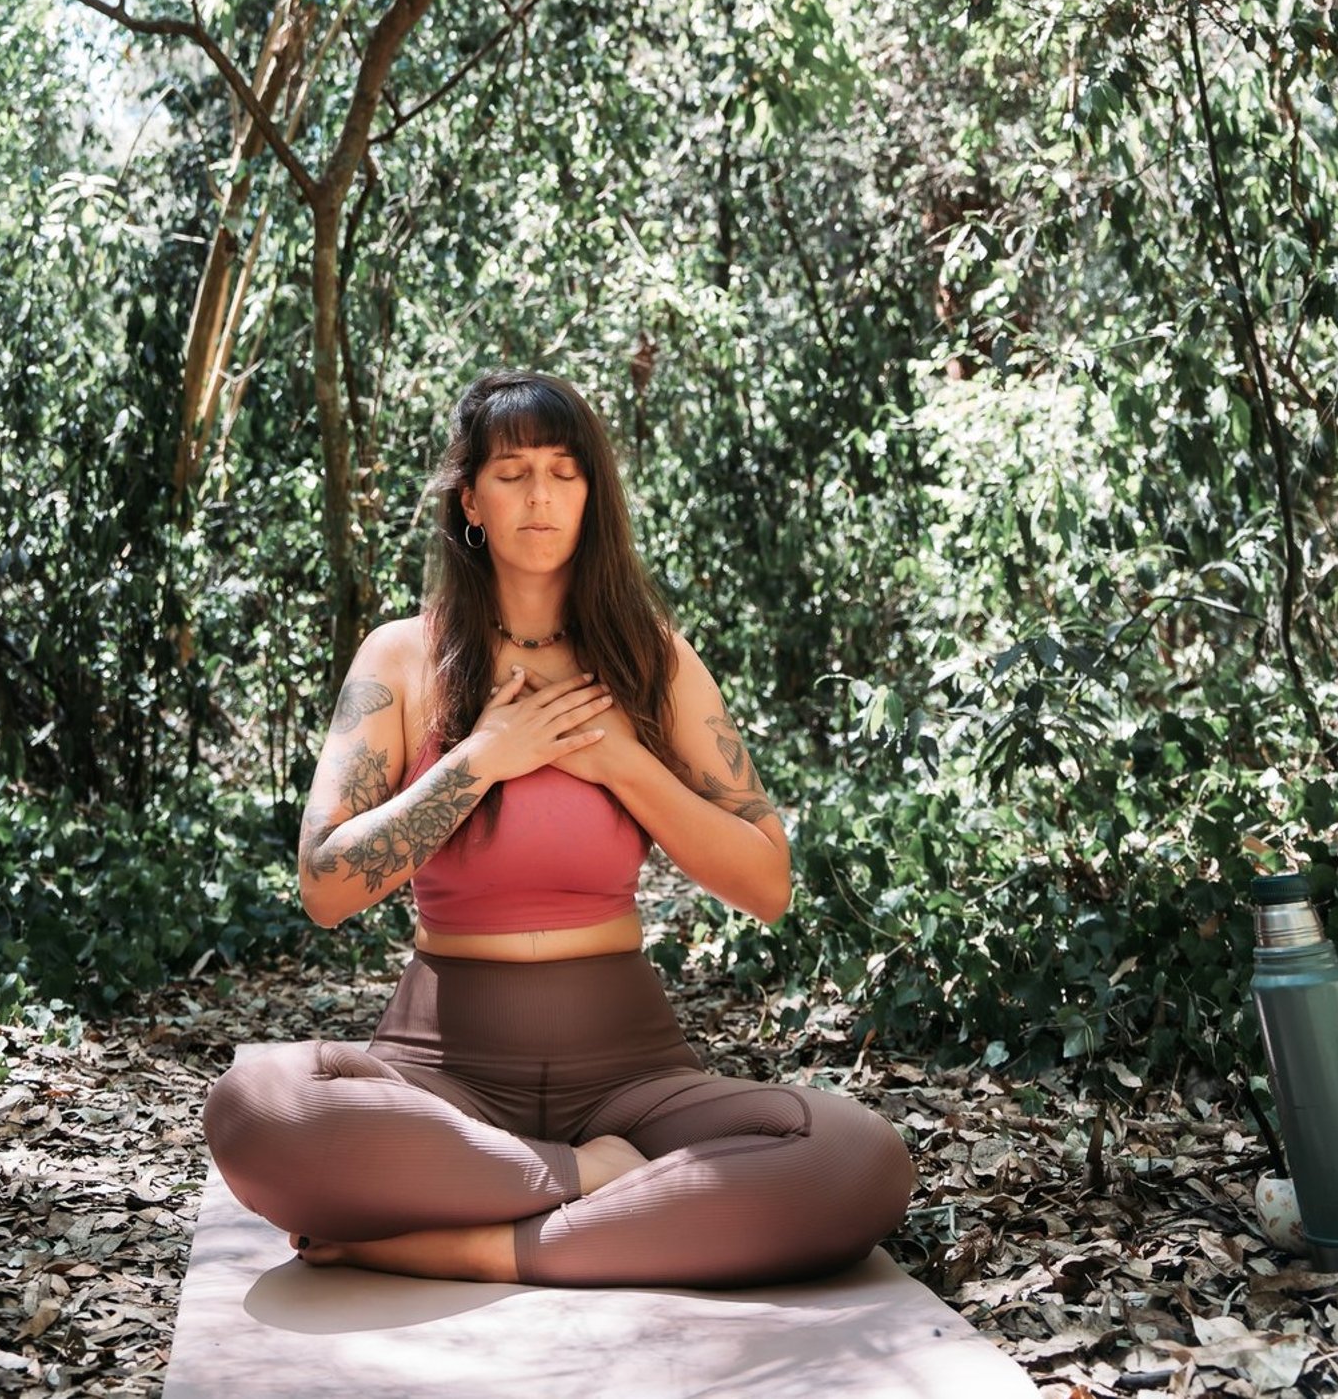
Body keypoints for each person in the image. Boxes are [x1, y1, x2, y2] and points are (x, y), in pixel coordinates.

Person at [202, 367, 914, 1289]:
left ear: (593, 494)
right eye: (511, 472)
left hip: (631, 1072)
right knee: (257, 1108)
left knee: (854, 1159)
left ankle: (478, 1243)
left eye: (564, 471)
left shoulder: (652, 661)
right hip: (440, 1073)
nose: (540, 494)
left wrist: (620, 758)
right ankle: (595, 1186)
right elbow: (326, 886)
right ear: (471, 499)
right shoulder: (403, 657)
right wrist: (480, 759)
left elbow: (767, 884)